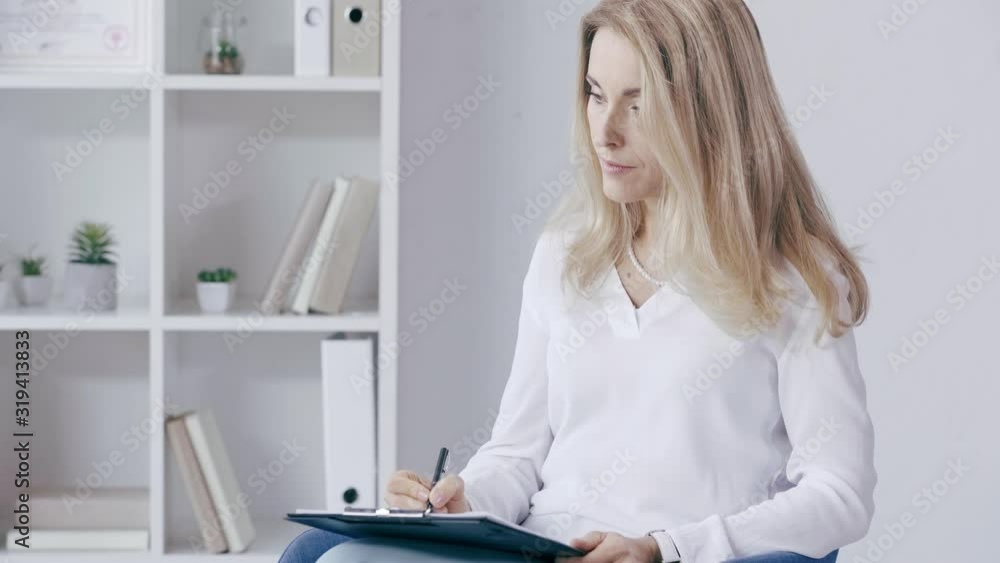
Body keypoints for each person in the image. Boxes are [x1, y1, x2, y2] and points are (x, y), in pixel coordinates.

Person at [279, 0, 876, 561]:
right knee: (330, 554)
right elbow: (516, 453)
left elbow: (840, 494)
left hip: (673, 555)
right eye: (595, 94)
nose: (605, 131)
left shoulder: (794, 279)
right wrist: (462, 502)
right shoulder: (565, 255)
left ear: (710, 111)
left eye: (638, 106)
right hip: (538, 548)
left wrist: (664, 547)